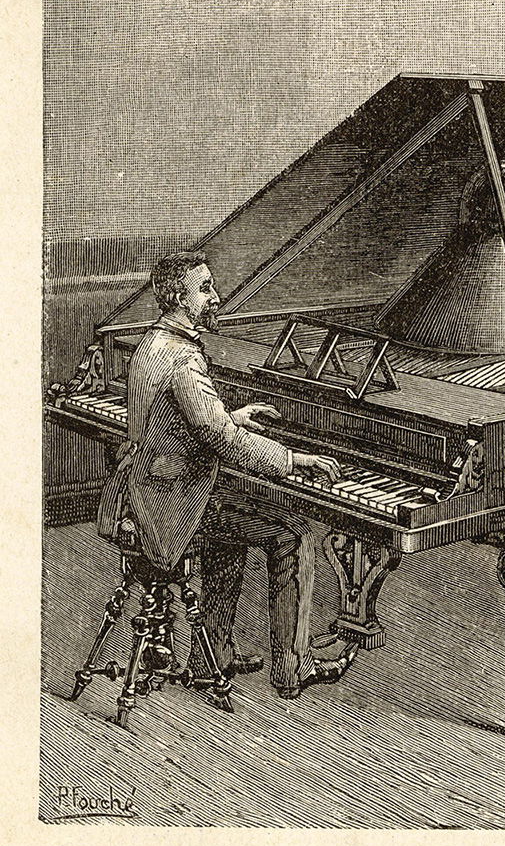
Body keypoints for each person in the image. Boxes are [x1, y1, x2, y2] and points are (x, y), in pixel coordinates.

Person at [118, 250, 348, 699]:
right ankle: (291, 667)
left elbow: (186, 420)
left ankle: (212, 658)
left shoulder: (151, 345)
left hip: (152, 490)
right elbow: (222, 441)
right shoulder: (184, 361)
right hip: (175, 506)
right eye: (205, 289)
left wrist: (232, 416)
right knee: (292, 533)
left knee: (232, 527)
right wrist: (293, 460)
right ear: (179, 300)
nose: (216, 297)